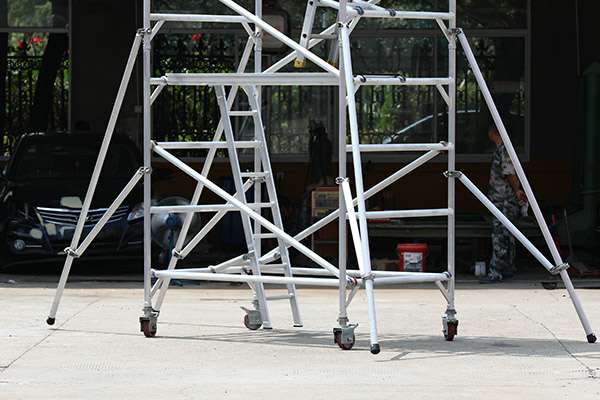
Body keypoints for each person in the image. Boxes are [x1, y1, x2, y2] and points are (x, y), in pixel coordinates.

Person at [480, 126, 527, 283]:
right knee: (508, 234)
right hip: (503, 199)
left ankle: (496, 271)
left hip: (504, 199)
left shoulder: (504, 149)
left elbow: (509, 172)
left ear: (492, 132)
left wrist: (517, 190)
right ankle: (508, 268)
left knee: (500, 235)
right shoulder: (504, 149)